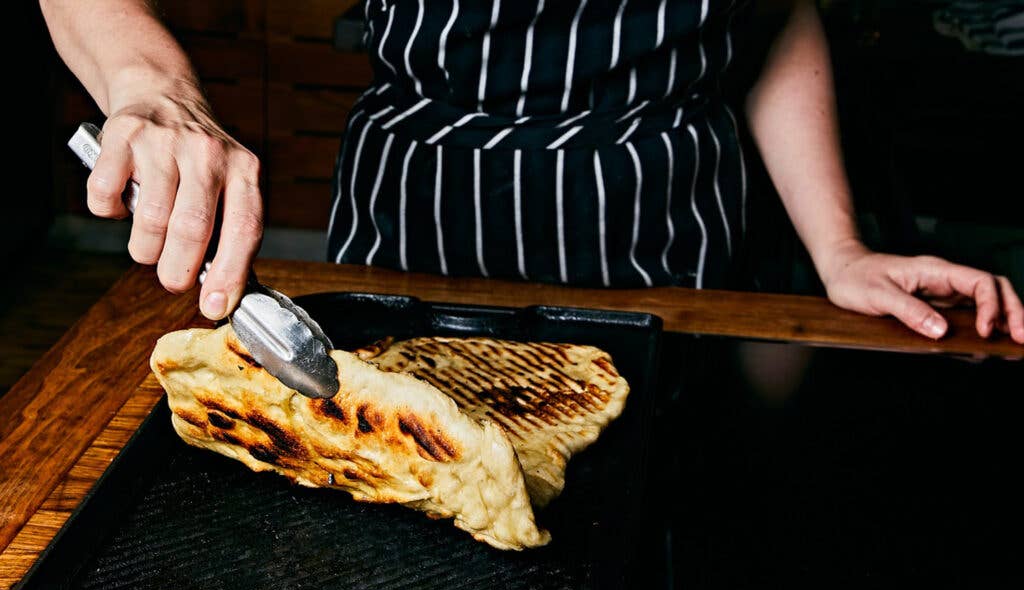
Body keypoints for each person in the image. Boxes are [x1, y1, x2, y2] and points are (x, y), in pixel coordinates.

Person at [38, 0, 1024, 344]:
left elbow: (770, 14)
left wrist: (839, 249)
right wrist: (150, 86)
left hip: (678, 245)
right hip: (421, 226)